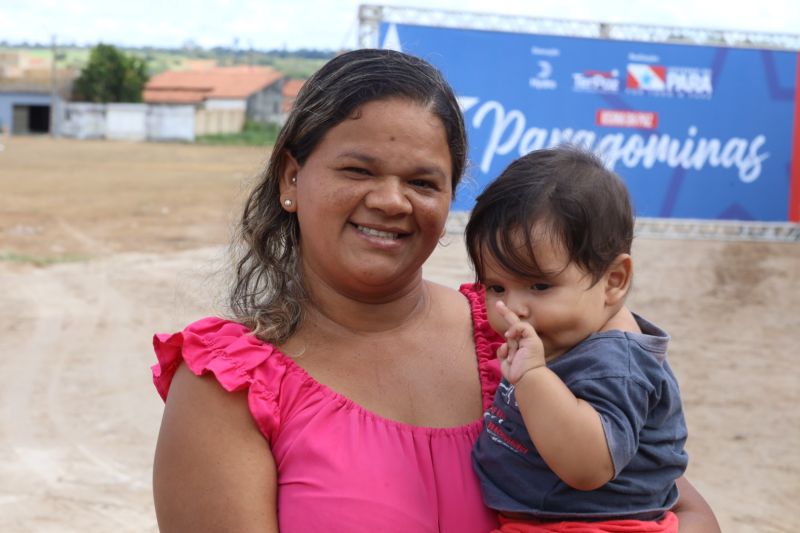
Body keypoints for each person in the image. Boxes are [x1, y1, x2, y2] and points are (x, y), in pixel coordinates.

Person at [150, 49, 720, 533]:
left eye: (423, 182)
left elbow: (674, 505)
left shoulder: (516, 335)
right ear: (291, 179)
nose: (392, 200)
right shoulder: (228, 386)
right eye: (358, 170)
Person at [467, 147, 691, 532]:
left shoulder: (615, 364)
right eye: (496, 286)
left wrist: (534, 377)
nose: (513, 307)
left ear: (614, 281)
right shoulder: (565, 338)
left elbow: (588, 466)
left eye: (539, 285)